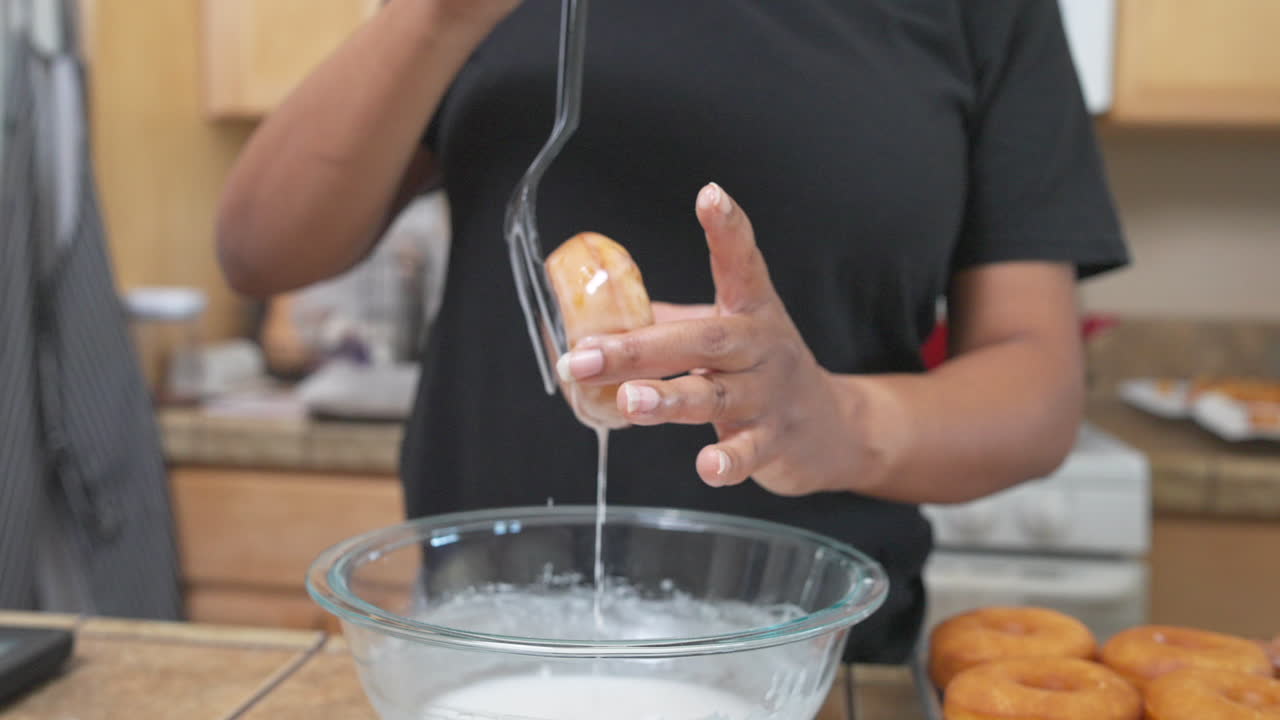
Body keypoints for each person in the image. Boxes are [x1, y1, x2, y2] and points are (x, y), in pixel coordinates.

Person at [216, 0, 1127, 663]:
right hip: (484, 649)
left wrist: (840, 420)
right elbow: (259, 248)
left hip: (805, 664)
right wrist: (436, 15)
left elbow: (1036, 383)